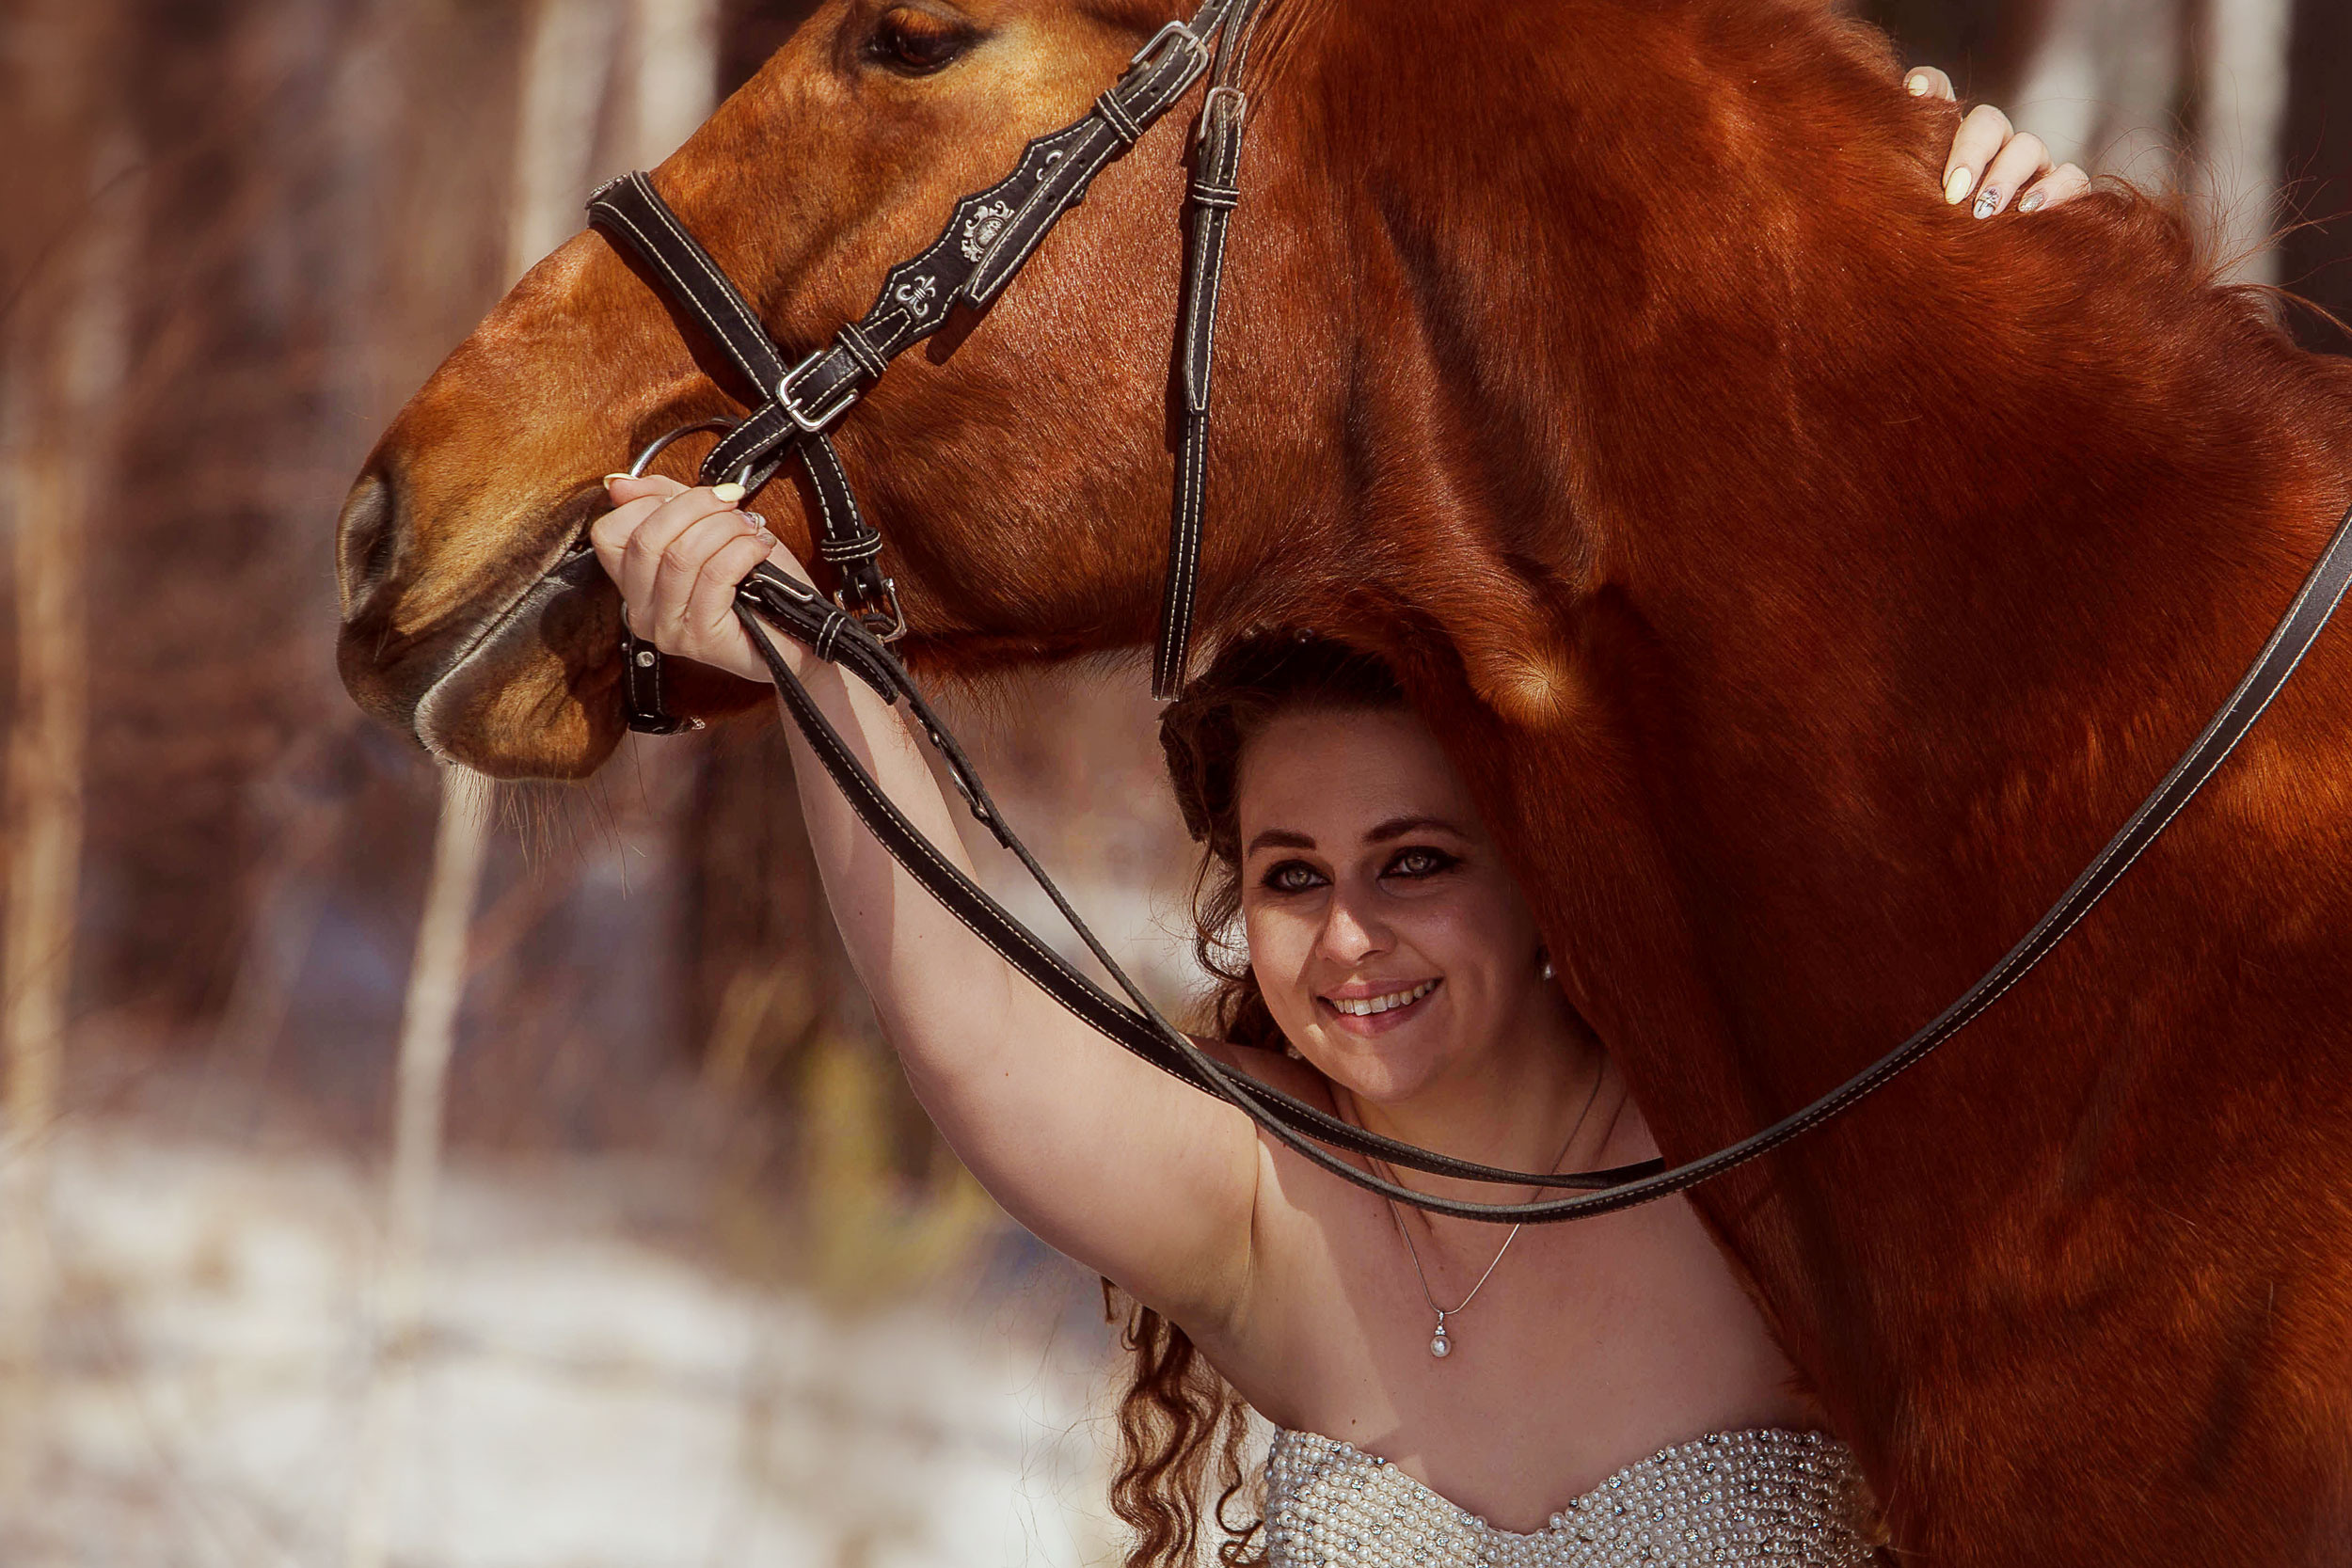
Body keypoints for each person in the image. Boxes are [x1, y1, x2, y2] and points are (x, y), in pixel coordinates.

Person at [591, 82, 2083, 1568]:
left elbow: (2039, 858)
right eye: (1291, 875)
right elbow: (978, 1030)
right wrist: (808, 658)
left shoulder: (1761, 1148)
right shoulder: (1264, 1198)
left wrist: (2046, 332)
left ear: (1542, 877)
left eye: (1415, 862)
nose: (1350, 937)